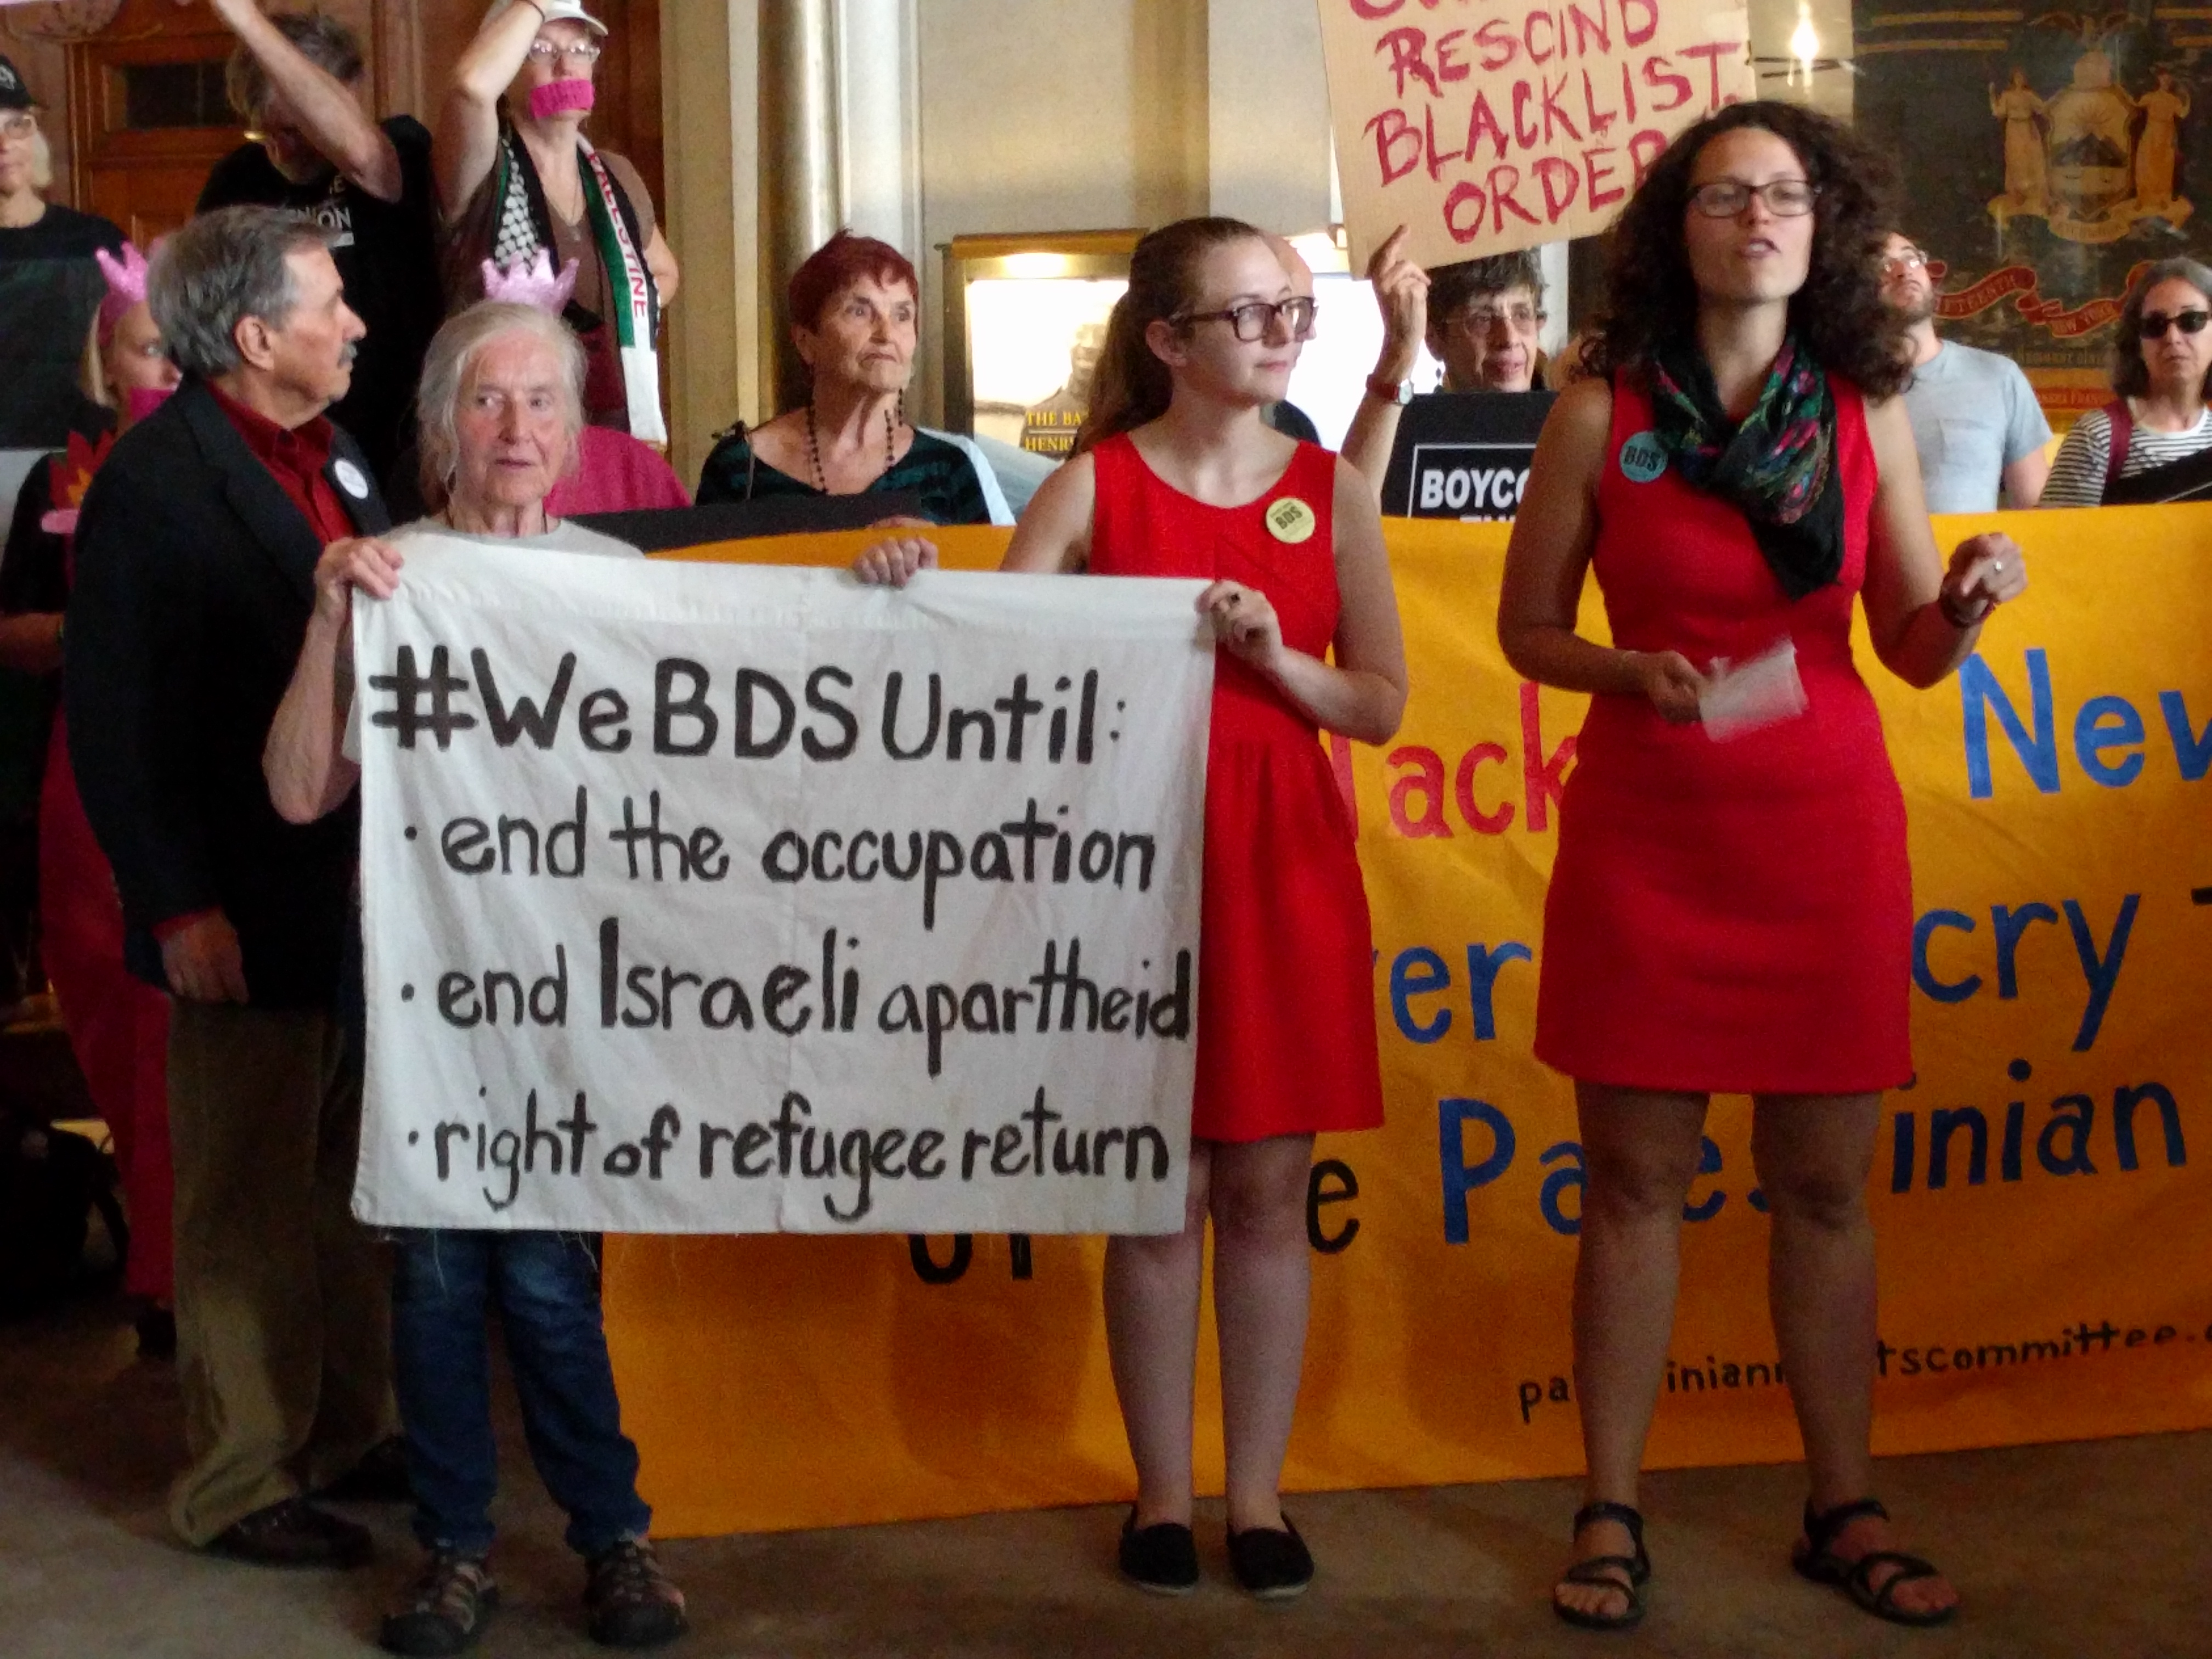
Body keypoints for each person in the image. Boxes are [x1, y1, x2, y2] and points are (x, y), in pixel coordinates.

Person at [1498, 103, 2025, 1632]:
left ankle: (1841, 1503)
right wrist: (1620, 669)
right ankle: (1609, 1507)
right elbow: (1527, 628)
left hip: (1820, 836)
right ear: (1679, 226)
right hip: (1649, 829)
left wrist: (1976, 599)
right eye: (1726, 195)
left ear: (1825, 226)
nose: (1758, 219)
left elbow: (1912, 653)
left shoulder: (1866, 409)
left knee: (1825, 1191)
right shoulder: (1600, 404)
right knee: (1633, 1184)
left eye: (1784, 195)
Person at [857, 216, 1408, 1600]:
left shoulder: (1331, 487)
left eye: (1296, 307)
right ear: (1168, 342)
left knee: (1271, 1189)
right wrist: (902, 577)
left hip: (1281, 861)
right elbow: (986, 675)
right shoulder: (1097, 483)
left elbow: (1382, 707)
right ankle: (1163, 1495)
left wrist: (1278, 661)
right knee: (1156, 1193)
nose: (1285, 331)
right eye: (1253, 312)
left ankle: (1260, 1495)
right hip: (1132, 860)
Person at [263, 300, 687, 1655]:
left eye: (543, 403)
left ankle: (613, 1538)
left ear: (576, 434)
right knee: (438, 1278)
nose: (517, 429)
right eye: (487, 403)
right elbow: (292, 793)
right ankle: (453, 1553)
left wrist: (886, 595)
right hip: (420, 980)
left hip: (568, 979)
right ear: (441, 428)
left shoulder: (622, 583)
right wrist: (332, 618)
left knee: (555, 1278)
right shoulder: (388, 572)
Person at [66, 205, 402, 1567]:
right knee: (245, 1206)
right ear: (257, 336)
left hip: (354, 897)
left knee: (343, 1184)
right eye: (333, 304)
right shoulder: (157, 479)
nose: (359, 323)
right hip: (236, 903)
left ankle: (343, 1427)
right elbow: (116, 715)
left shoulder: (347, 459)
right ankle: (240, 1479)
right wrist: (174, 904)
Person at [1, 242, 182, 1355]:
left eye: (174, 346)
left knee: (187, 1034)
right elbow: (11, 635)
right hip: (85, 778)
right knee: (115, 1021)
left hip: (197, 773)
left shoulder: (226, 460)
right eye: (140, 348)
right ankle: (158, 1262)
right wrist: (88, 629)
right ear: (107, 360)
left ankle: (174, 1273)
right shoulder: (58, 472)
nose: (157, 368)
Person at [196, 4, 443, 485]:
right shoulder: (236, 179)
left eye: (292, 129)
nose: (278, 150)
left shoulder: (401, 145)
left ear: (346, 92)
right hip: (283, 442)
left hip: (401, 438)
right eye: (261, 132)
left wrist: (244, 18)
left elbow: (364, 159)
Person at [439, 0, 680, 443]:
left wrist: (615, 318)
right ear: (508, 68)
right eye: (541, 50)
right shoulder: (483, 170)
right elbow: (471, 88)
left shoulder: (614, 173)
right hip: (506, 434)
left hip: (610, 436)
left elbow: (664, 272)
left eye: (581, 50)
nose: (567, 67)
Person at [697, 230, 992, 524]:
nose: (886, 334)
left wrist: (937, 559)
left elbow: (981, 571)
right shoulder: (739, 467)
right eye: (860, 312)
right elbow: (705, 572)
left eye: (902, 315)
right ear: (806, 342)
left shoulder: (948, 468)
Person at [1341, 238, 1546, 487]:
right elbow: (1349, 510)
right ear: (1434, 339)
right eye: (1482, 319)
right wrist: (1399, 350)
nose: (1509, 338)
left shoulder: (1570, 429)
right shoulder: (1399, 431)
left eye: (1522, 314)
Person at [1881, 233, 2050, 511]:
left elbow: (2034, 513)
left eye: (1911, 258)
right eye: (1883, 265)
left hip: (1975, 553)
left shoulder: (1999, 377)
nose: (1903, 271)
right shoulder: (1843, 387)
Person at [2041, 257, 2212, 505]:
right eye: (2155, 325)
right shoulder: (2096, 437)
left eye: (2191, 321)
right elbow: (2058, 540)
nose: (2173, 338)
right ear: (2136, 343)